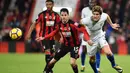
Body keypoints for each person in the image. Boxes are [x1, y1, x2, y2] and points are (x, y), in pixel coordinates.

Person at [36, 8, 93, 73]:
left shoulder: (73, 24)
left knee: (72, 63)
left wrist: (88, 40)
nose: (64, 17)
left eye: (65, 15)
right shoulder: (59, 24)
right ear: (60, 16)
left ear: (68, 16)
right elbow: (54, 32)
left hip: (74, 46)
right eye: (62, 15)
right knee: (51, 62)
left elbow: (83, 30)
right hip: (65, 46)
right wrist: (44, 37)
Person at [80, 5, 123, 73]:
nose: (95, 16)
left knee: (108, 53)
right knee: (92, 60)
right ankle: (96, 71)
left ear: (100, 14)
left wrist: (111, 24)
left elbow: (107, 16)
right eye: (94, 14)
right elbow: (81, 24)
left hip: (100, 35)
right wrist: (87, 38)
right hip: (90, 39)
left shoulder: (103, 16)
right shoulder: (87, 20)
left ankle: (114, 65)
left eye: (97, 14)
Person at [26, 0, 60, 73]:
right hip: (43, 37)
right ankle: (48, 71)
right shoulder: (42, 14)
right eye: (47, 4)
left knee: (53, 55)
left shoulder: (56, 15)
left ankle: (46, 70)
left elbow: (59, 27)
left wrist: (60, 37)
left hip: (52, 38)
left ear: (53, 5)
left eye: (49, 4)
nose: (48, 6)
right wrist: (29, 33)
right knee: (47, 52)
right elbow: (34, 24)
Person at [80, 0, 101, 72]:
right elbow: (82, 22)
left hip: (96, 34)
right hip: (86, 34)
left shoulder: (99, 10)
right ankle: (83, 65)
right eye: (91, 2)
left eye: (94, 2)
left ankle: (97, 68)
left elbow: (101, 21)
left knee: (97, 50)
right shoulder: (84, 10)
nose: (92, 4)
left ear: (96, 3)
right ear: (89, 2)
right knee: (84, 50)